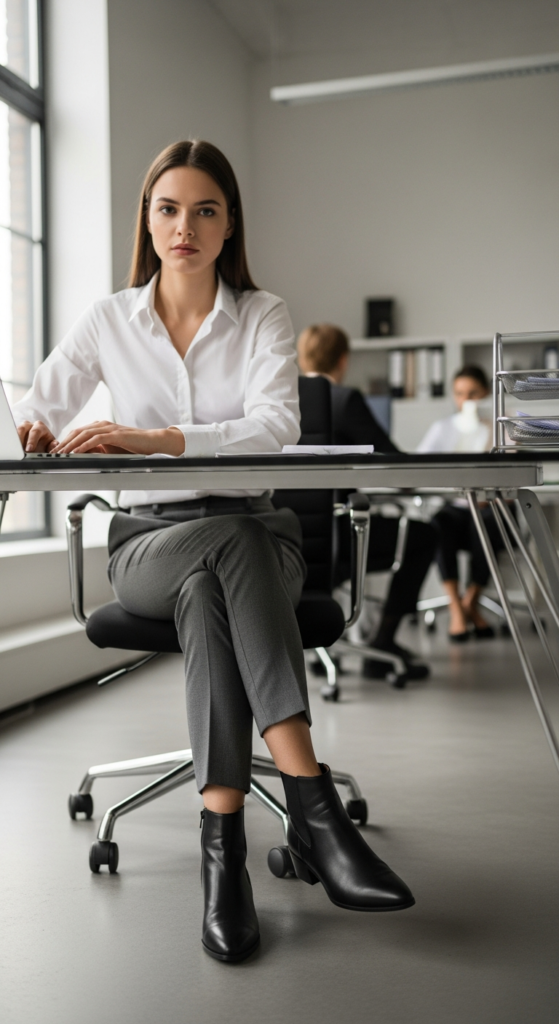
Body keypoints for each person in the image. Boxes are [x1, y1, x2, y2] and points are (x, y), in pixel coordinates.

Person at [12, 141, 414, 963]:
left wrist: (153, 438)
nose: (184, 227)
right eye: (167, 209)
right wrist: (33, 434)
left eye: (204, 210)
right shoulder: (107, 320)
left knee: (213, 582)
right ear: (147, 220)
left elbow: (274, 427)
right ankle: (313, 811)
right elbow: (33, 411)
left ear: (230, 224)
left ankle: (223, 855)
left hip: (260, 539)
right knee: (220, 549)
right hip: (149, 545)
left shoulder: (262, 314)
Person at [297, 323, 437, 680]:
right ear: (343, 359)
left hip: (291, 536)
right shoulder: (344, 400)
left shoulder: (281, 403)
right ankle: (383, 643)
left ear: (302, 358)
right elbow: (395, 466)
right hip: (341, 536)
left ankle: (323, 645)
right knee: (425, 536)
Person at [417, 365, 502, 642]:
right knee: (439, 525)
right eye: (460, 393)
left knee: (488, 525)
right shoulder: (442, 429)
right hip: (455, 507)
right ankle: (457, 607)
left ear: (486, 393)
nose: (466, 400)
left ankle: (471, 602)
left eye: (473, 393)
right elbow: (418, 467)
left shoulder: (500, 427)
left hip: (489, 507)